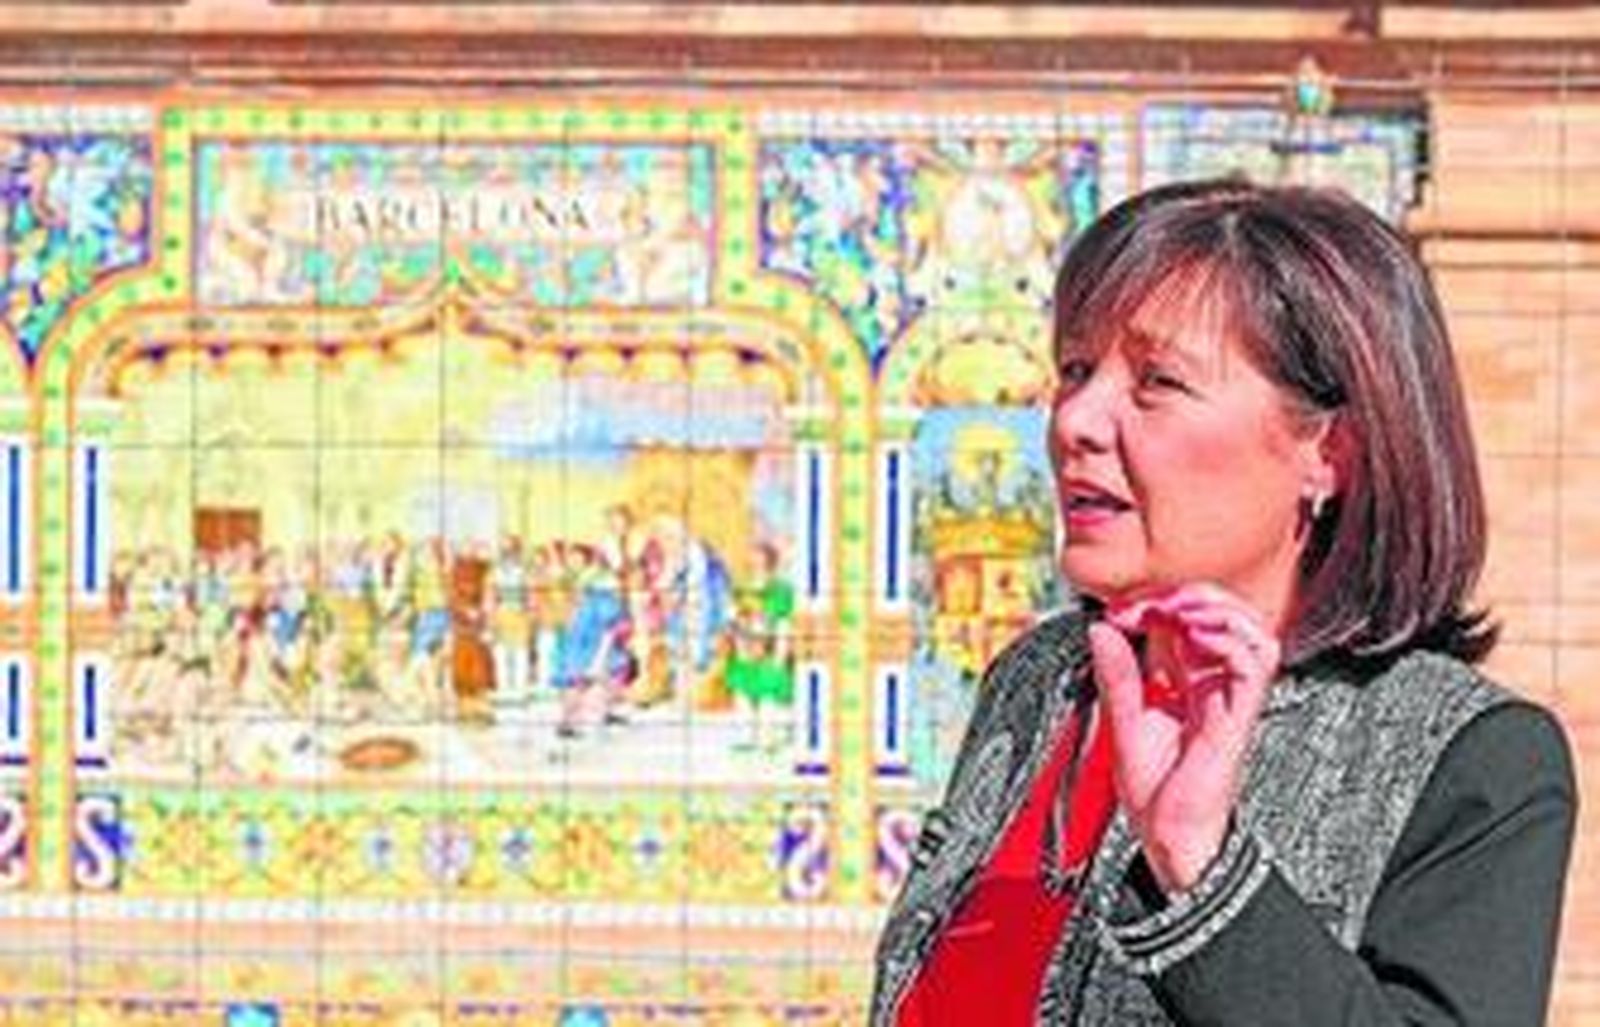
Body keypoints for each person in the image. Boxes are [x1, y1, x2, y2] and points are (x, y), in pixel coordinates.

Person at [873, 179, 1578, 1026]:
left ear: (1330, 451)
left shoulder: (1470, 757)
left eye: (1157, 380)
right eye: (1076, 369)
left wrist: (1204, 872)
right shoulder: (1040, 681)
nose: (1075, 420)